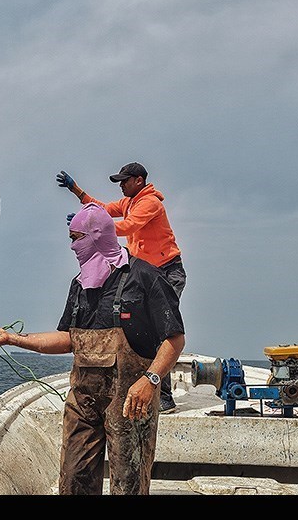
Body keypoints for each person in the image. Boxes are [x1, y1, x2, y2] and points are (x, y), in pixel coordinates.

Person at [0, 203, 185, 495]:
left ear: (98, 235)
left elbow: (174, 339)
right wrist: (13, 338)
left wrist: (151, 380)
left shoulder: (145, 277)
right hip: (83, 403)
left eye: (77, 237)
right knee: (74, 479)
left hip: (131, 403)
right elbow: (69, 338)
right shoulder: (79, 286)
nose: (73, 246)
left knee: (129, 485)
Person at [56, 163, 186, 413]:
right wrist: (76, 190)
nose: (121, 185)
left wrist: (87, 228)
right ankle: (136, 383)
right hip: (145, 273)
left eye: (124, 181)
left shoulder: (150, 203)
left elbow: (126, 227)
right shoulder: (129, 203)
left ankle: (164, 395)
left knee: (161, 332)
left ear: (138, 180)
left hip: (168, 272)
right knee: (140, 330)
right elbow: (102, 209)